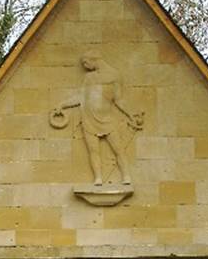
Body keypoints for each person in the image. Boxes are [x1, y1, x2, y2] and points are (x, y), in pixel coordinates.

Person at [53, 53, 142, 186]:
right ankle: (98, 178)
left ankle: (126, 176)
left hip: (107, 119)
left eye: (85, 62)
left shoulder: (115, 76)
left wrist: (130, 114)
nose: (84, 66)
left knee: (118, 149)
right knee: (93, 151)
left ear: (94, 59)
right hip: (89, 119)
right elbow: (81, 98)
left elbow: (118, 100)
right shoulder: (89, 77)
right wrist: (62, 105)